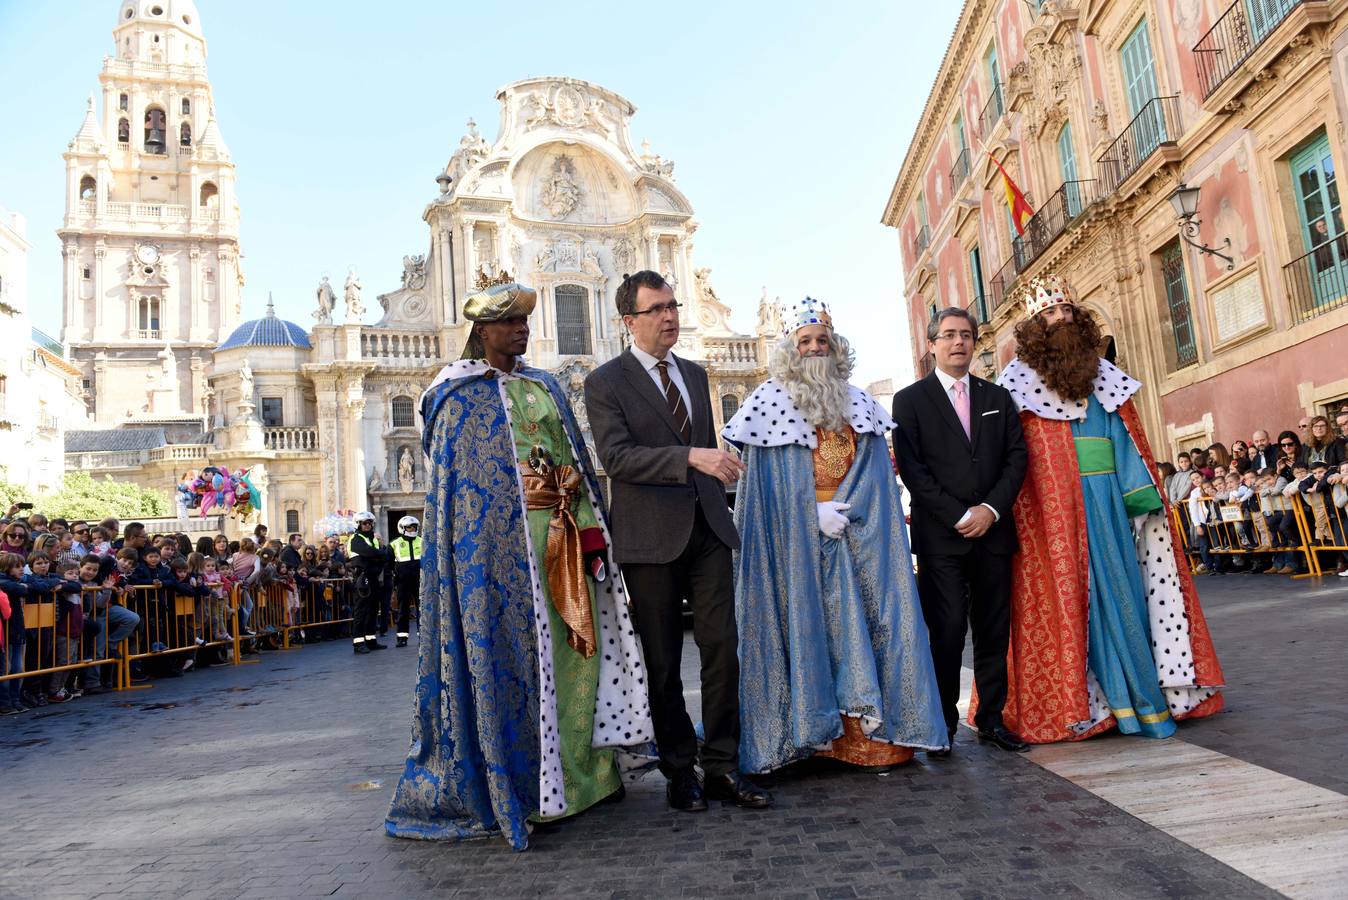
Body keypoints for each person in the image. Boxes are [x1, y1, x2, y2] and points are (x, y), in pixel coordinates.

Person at [386, 281, 651, 850]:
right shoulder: (455, 397)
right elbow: (465, 488)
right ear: (482, 333)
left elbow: (570, 456)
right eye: (509, 324)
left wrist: (588, 528)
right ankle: (526, 785)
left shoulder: (545, 386)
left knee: (575, 656)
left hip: (563, 540)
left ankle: (583, 780)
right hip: (499, 557)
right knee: (516, 663)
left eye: (524, 322)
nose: (521, 330)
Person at [992, 274, 1224, 743]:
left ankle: (1139, 701)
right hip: (1051, 516)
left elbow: (1126, 443)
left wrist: (1139, 503)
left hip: (1107, 506)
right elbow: (1013, 454)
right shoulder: (1015, 383)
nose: (1060, 319)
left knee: (1123, 597)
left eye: (1065, 311)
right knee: (1071, 604)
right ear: (1035, 326)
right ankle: (1090, 704)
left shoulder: (1103, 375)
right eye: (1049, 314)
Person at [724, 298, 947, 773]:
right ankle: (809, 735)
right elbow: (763, 492)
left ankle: (864, 735)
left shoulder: (860, 401)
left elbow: (877, 476)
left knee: (867, 627)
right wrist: (811, 513)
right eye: (804, 341)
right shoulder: (767, 402)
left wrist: (852, 511)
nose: (814, 348)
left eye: (822, 340)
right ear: (790, 349)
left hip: (857, 535)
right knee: (808, 632)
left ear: (835, 345)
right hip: (795, 549)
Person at [586, 270, 771, 810]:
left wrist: (718, 467)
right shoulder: (605, 382)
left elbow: (705, 446)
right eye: (657, 310)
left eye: (673, 306)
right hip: (649, 540)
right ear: (630, 321)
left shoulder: (694, 373)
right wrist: (692, 457)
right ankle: (678, 772)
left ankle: (722, 766)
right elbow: (615, 457)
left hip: (709, 528)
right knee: (663, 662)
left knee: (722, 650)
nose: (670, 316)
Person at [892, 306, 1029, 754]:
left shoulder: (997, 396)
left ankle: (991, 719)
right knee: (947, 630)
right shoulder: (910, 401)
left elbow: (1016, 458)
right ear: (931, 344)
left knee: (993, 630)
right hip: (941, 539)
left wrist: (990, 509)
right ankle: (944, 725)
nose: (958, 343)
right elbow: (913, 469)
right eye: (948, 335)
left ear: (975, 342)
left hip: (994, 532)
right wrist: (957, 515)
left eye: (966, 335)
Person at [346, 512, 389, 653]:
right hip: (362, 579)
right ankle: (358, 643)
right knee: (361, 611)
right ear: (358, 524)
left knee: (373, 610)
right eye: (365, 523)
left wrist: (377, 554)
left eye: (370, 523)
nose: (368, 525)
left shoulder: (373, 539)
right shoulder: (355, 538)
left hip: (374, 578)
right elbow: (368, 552)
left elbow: (383, 556)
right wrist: (377, 554)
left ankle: (371, 640)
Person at [388, 515, 421, 647]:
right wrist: (396, 577)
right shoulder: (394, 544)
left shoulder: (423, 541)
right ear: (402, 528)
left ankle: (423, 636)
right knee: (403, 610)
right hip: (403, 582)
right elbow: (389, 564)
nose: (412, 529)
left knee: (422, 609)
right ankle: (402, 637)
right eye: (409, 527)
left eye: (414, 527)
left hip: (420, 581)